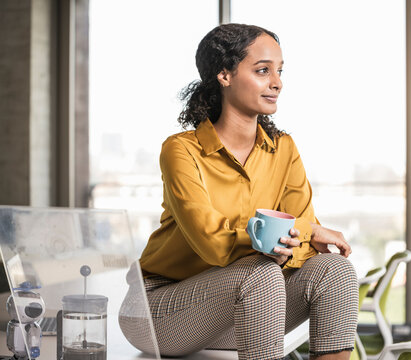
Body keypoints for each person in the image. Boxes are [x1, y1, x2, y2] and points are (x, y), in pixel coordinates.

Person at [119, 23, 359, 360]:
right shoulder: (180, 151)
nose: (277, 82)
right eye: (262, 70)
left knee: (336, 270)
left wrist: (290, 244)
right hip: (159, 310)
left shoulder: (284, 149)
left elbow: (304, 246)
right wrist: (300, 234)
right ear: (224, 75)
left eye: (279, 71)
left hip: (242, 305)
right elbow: (212, 244)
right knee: (258, 271)